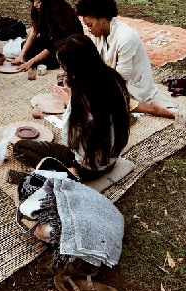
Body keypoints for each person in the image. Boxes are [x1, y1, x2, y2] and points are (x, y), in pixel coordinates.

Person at [14, 34, 130, 181]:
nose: (64, 72)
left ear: (76, 68)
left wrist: (69, 103)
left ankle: (67, 174)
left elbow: (69, 141)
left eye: (64, 67)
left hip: (88, 167)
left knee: (20, 148)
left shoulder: (82, 97)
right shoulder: (115, 78)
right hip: (111, 160)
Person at [76, 0, 175, 118]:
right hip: (112, 78)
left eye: (90, 25)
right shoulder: (97, 35)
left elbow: (122, 76)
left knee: (99, 102)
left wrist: (97, 86)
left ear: (102, 20)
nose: (89, 29)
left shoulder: (125, 37)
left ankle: (151, 108)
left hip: (132, 84)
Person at [12, 0, 83, 71]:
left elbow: (52, 46)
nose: (35, 5)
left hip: (66, 46)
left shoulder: (61, 16)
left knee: (42, 63)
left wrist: (31, 62)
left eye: (38, 1)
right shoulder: (39, 10)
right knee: (25, 48)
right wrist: (21, 55)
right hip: (50, 40)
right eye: (34, 1)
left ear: (47, 2)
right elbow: (34, 31)